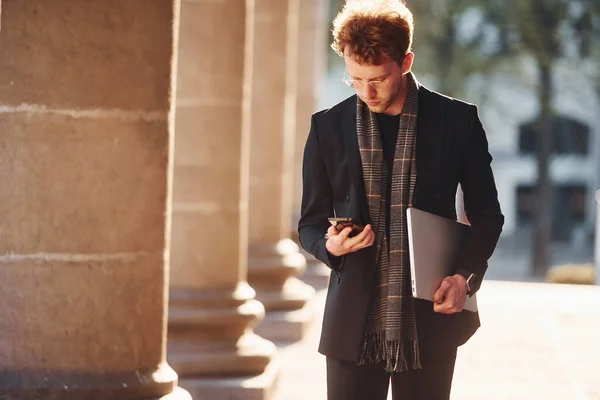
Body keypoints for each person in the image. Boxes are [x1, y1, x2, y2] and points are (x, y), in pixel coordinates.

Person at [297, 1, 505, 399]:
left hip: (430, 311)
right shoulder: (327, 127)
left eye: (377, 78)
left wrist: (465, 277)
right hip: (351, 321)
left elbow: (487, 215)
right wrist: (329, 246)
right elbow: (309, 224)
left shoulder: (457, 121)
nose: (366, 92)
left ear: (406, 61)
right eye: (354, 79)